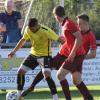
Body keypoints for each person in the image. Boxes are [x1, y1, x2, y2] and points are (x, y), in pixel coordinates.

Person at [20, 9, 96, 100]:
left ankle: (87, 98)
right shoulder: (72, 27)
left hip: (75, 56)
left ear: (87, 23)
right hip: (64, 54)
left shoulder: (89, 36)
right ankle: (32, 86)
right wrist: (64, 41)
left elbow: (92, 54)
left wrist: (75, 55)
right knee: (48, 67)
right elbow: (70, 39)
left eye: (80, 24)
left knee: (70, 78)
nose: (78, 25)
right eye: (78, 23)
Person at [8, 18, 64, 100]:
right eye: (30, 28)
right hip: (33, 54)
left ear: (37, 25)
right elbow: (23, 40)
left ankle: (55, 98)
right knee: (20, 72)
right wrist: (13, 51)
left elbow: (60, 40)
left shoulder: (46, 31)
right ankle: (19, 96)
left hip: (45, 55)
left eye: (32, 28)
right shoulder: (28, 29)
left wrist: (64, 53)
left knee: (47, 75)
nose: (31, 30)